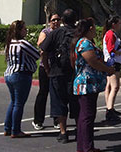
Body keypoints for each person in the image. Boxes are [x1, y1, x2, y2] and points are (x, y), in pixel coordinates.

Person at [72, 18, 115, 152]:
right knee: (87, 116)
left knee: (85, 115)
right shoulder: (84, 43)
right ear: (90, 28)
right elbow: (92, 61)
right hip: (86, 83)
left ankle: (83, 146)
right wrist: (107, 69)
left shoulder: (85, 42)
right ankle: (87, 147)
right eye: (94, 28)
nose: (96, 30)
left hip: (90, 83)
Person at [39, 8, 79, 144]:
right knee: (77, 102)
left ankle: (63, 132)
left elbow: (43, 51)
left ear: (62, 20)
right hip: (75, 73)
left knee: (59, 103)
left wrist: (47, 68)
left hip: (57, 71)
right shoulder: (78, 33)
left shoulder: (55, 33)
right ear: (75, 20)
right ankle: (80, 130)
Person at [4, 20, 40, 138]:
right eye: (24, 29)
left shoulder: (9, 44)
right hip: (21, 74)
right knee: (19, 103)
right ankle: (16, 130)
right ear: (19, 31)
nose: (26, 30)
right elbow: (36, 54)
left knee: (13, 101)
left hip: (9, 74)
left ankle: (7, 128)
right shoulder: (22, 44)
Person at [32, 13, 61, 131]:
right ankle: (38, 120)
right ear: (50, 22)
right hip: (45, 66)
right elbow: (41, 44)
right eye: (54, 20)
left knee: (57, 94)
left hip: (57, 66)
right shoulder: (45, 32)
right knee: (43, 92)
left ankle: (57, 120)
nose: (56, 22)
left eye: (58, 20)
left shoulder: (62, 32)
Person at [103, 15, 121, 121]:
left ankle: (110, 106)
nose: (120, 25)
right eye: (119, 23)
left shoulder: (111, 34)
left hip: (111, 61)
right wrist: (120, 51)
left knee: (109, 86)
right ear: (114, 24)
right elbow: (111, 49)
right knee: (115, 86)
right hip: (113, 62)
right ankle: (110, 109)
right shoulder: (110, 34)